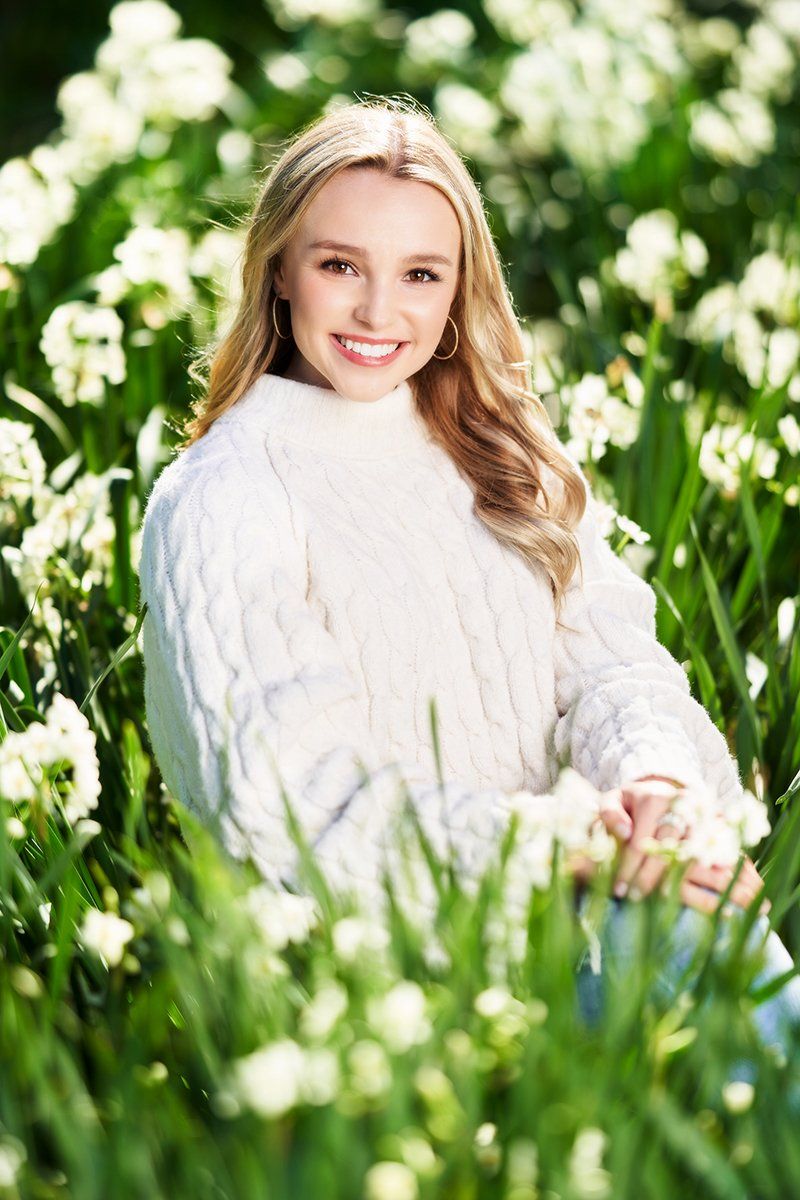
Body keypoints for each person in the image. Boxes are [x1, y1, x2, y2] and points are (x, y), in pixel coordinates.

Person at [136, 96, 799, 1055]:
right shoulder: (225, 494)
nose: (377, 311)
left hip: (583, 912)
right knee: (687, 932)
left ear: (457, 287)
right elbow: (290, 798)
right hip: (375, 989)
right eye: (338, 266)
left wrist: (659, 792)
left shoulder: (499, 446)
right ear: (280, 270)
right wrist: (567, 850)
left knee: (691, 901)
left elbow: (615, 669)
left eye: (419, 274)